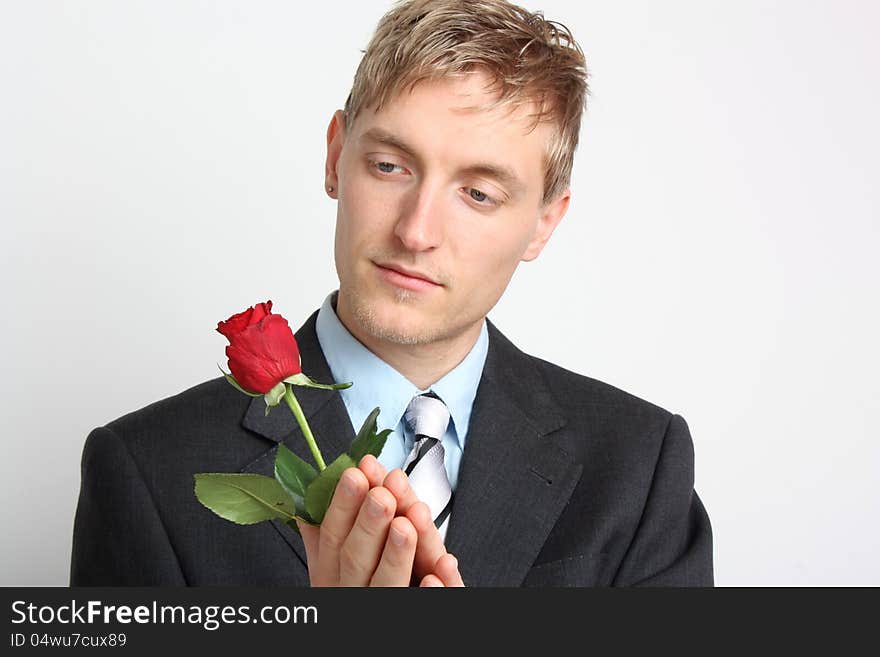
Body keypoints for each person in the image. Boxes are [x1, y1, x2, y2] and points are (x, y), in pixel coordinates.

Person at [70, 0, 713, 587]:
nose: (416, 231)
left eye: (479, 193)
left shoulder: (639, 465)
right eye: (389, 166)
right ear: (334, 157)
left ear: (543, 222)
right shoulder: (145, 468)